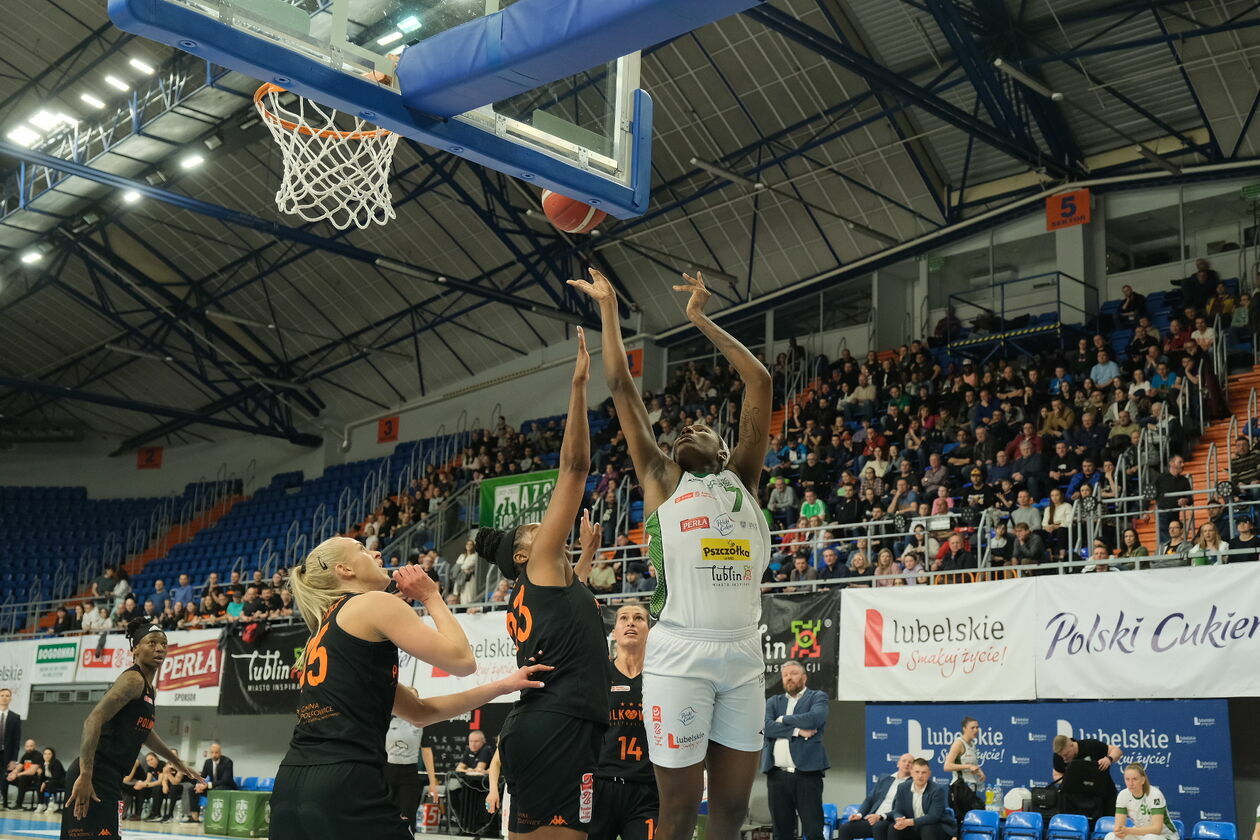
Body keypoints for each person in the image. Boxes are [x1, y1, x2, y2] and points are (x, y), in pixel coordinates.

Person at [572, 269, 773, 840]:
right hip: (679, 653)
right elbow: (620, 385)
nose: (690, 427)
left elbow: (757, 381)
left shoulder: (743, 479)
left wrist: (699, 319)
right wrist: (611, 309)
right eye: (682, 426)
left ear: (726, 448)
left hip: (742, 654)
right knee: (679, 811)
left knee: (732, 811)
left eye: (703, 426)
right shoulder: (662, 479)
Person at [267, 535, 547, 840]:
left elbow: (419, 712)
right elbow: (462, 660)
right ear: (345, 569)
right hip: (344, 781)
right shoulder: (372, 602)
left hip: (292, 781)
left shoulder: (326, 625)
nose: (375, 553)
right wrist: (431, 597)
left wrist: (503, 685)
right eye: (362, 549)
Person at [476, 327, 611, 840]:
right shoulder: (537, 569)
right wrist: (579, 387)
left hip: (546, 723)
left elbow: (565, 611)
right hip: (558, 723)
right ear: (521, 554)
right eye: (535, 531)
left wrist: (586, 561)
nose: (544, 528)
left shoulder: (538, 587)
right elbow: (575, 466)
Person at [62, 617, 198, 840]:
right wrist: (86, 775)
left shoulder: (147, 688)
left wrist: (178, 763)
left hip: (108, 776)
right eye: (152, 643)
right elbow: (92, 721)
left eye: (163, 644)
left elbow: (144, 732)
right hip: (94, 775)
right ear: (135, 649)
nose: (160, 648)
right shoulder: (133, 680)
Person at [588, 605, 657, 840]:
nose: (631, 623)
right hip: (600, 786)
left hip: (646, 791)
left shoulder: (661, 677)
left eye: (639, 618)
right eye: (624, 618)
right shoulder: (598, 676)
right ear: (614, 632)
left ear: (649, 630)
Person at [761, 661, 830, 840]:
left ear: (804, 677)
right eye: (785, 675)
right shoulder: (774, 701)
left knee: (813, 829)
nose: (789, 678)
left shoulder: (817, 697)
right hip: (777, 776)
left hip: (806, 774)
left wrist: (783, 719)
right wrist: (797, 731)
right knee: (781, 831)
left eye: (793, 673)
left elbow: (814, 719)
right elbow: (765, 727)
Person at [384, 686, 435, 832]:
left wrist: (432, 782)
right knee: (385, 814)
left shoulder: (422, 723)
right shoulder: (388, 717)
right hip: (388, 770)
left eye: (414, 698)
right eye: (408, 697)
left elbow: (426, 752)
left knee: (407, 815)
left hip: (409, 773)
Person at [839, 754, 913, 840]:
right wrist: (859, 814)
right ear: (898, 763)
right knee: (845, 828)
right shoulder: (884, 778)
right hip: (872, 819)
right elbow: (870, 799)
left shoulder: (912, 784)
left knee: (879, 826)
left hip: (890, 820)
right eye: (904, 761)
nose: (907, 764)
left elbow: (903, 809)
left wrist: (880, 816)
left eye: (910, 762)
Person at [882, 758, 957, 840]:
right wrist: (900, 820)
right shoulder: (902, 787)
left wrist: (910, 822)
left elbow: (933, 817)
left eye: (924, 772)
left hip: (937, 826)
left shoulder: (937, 790)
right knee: (894, 828)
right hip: (913, 826)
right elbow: (898, 810)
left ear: (929, 774)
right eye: (917, 772)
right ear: (911, 772)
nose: (920, 776)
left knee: (927, 829)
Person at [1104, 764, 1179, 840]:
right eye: (1127, 779)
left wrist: (1129, 830)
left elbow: (1157, 830)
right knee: (1110, 837)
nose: (1131, 783)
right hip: (1139, 834)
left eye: (1134, 779)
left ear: (1143, 780)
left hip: (1165, 835)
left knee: (1150, 838)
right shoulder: (1123, 795)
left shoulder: (1155, 794)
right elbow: (1119, 827)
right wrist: (1119, 831)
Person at [180, 742, 236, 823]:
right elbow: (202, 776)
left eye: (216, 752)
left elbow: (225, 780)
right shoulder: (208, 762)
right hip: (213, 787)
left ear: (220, 753)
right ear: (209, 753)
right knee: (192, 790)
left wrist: (207, 785)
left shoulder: (227, 762)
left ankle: (217, 818)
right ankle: (194, 817)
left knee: (219, 789)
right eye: (212, 752)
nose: (214, 755)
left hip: (226, 787)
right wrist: (199, 785)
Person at [942, 717, 984, 813]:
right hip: (959, 789)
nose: (976, 730)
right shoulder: (958, 744)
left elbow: (972, 764)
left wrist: (980, 772)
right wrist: (968, 767)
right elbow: (947, 766)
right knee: (963, 820)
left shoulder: (972, 744)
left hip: (971, 788)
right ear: (964, 729)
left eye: (977, 727)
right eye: (972, 728)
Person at [8, 738, 43, 810]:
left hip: (34, 778)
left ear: (35, 746)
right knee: (5, 778)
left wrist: (17, 775)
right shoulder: (25, 755)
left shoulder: (37, 755)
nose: (29, 748)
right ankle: (4, 803)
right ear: (25, 747)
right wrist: (12, 774)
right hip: (24, 778)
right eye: (27, 746)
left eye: (31, 746)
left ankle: (19, 804)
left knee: (22, 778)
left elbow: (32, 771)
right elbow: (19, 767)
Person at [0, 688, 20, 809]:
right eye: (2, 695)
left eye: (7, 695)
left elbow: (16, 740)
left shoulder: (15, 717)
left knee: (4, 777)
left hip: (6, 753)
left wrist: (14, 759)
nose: (4, 697)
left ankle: (4, 801)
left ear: (11, 698)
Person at [37, 747, 66, 814]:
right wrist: (39, 774)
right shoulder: (42, 764)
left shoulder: (56, 762)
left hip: (60, 782)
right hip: (50, 781)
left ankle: (52, 804)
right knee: (38, 783)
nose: (47, 756)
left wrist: (45, 782)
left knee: (50, 784)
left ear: (52, 755)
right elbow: (43, 778)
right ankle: (41, 803)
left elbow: (57, 776)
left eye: (49, 754)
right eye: (45, 754)